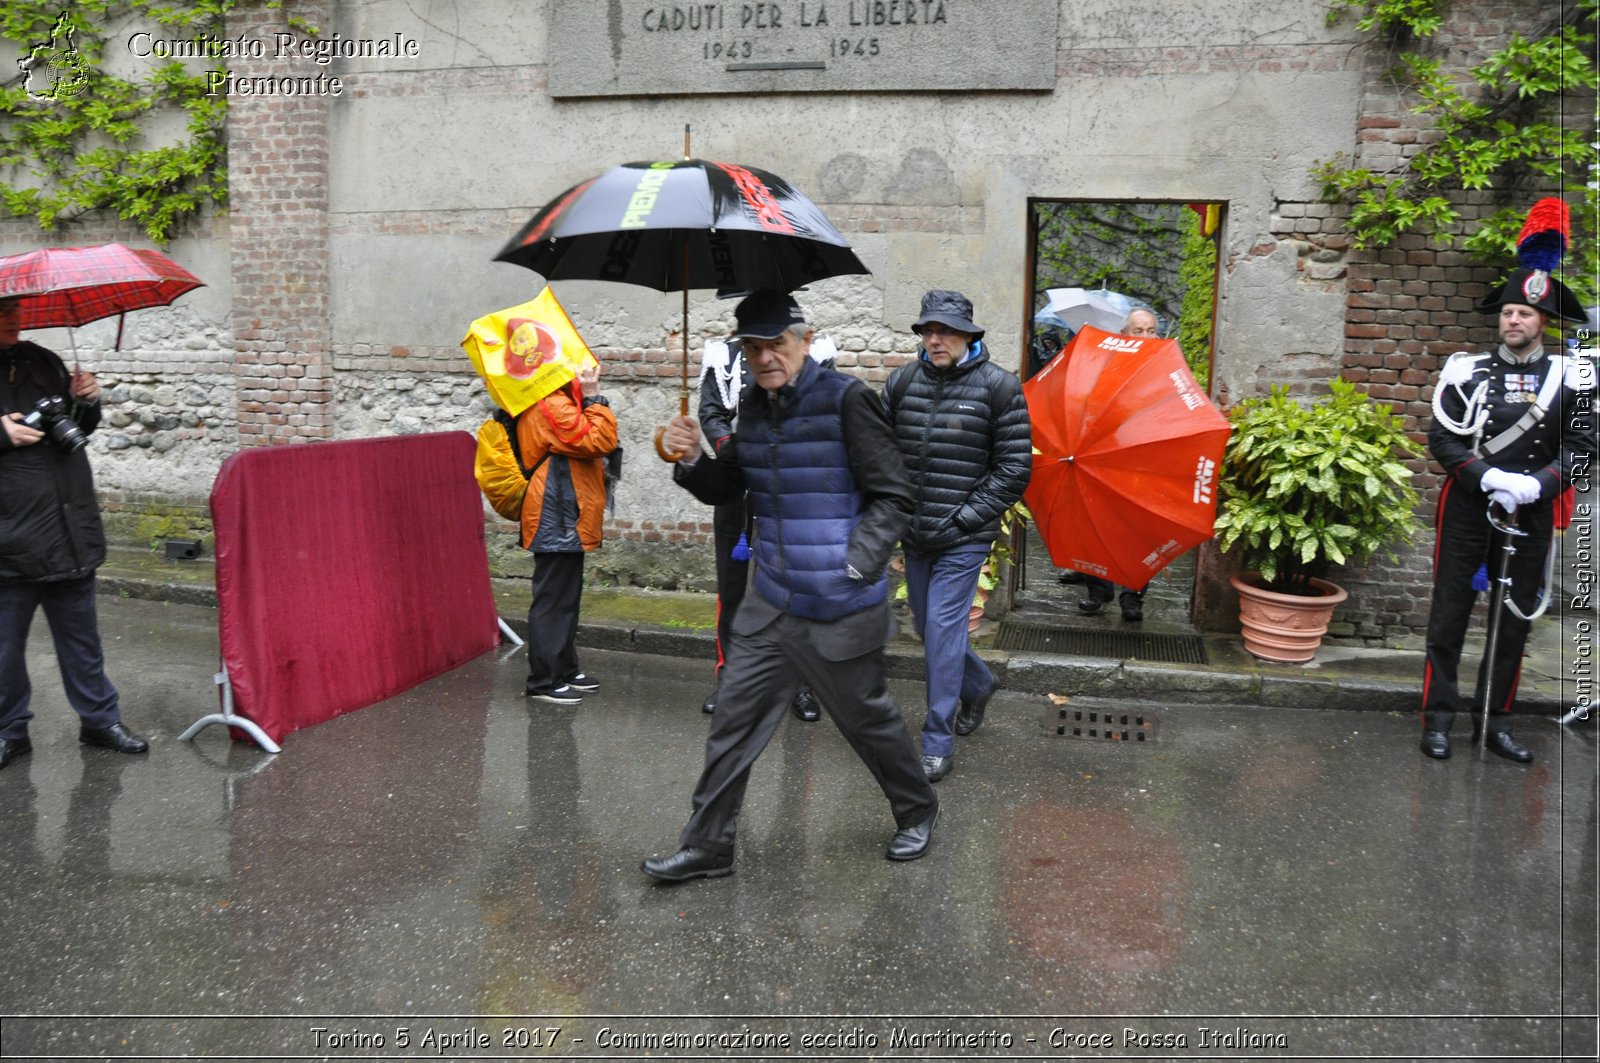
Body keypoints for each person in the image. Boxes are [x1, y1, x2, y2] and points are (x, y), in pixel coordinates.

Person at [641, 290, 939, 881]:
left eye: (776, 343)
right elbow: (729, 488)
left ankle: (917, 809)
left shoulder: (848, 400)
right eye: (753, 348)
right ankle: (709, 845)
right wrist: (691, 460)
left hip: (840, 605)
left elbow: (896, 493)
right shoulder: (751, 408)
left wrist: (857, 563)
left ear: (804, 340)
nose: (765, 357)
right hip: (771, 602)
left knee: (867, 721)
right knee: (733, 719)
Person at [1421, 265, 1594, 762]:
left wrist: (1538, 485)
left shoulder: (1570, 376)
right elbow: (1442, 438)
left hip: (1532, 511)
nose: (1513, 320)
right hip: (1470, 506)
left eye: (1524, 313)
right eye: (1508, 312)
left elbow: (1582, 445)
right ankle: (1437, 721)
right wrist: (1489, 477)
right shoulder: (1466, 370)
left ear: (1544, 321)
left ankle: (1495, 723)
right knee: (1450, 614)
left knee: (1514, 619)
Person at [883, 290, 1031, 782]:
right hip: (916, 531)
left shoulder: (999, 387)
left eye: (944, 330)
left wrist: (967, 519)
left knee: (944, 630)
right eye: (928, 330)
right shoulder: (902, 382)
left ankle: (937, 739)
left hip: (964, 535)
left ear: (968, 335)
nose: (934, 338)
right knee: (928, 629)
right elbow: (879, 451)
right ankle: (979, 681)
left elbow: (1013, 468)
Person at [0, 297, 149, 769]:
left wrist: (88, 402)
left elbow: (75, 430)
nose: (13, 317)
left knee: (82, 639)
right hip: (8, 537)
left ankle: (100, 721)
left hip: (68, 526)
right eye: (1, 310)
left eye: (14, 309)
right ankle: (9, 730)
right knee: (3, 648)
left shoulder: (43, 360)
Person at [697, 332, 822, 723]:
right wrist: (736, 450)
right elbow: (712, 412)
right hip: (738, 487)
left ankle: (800, 683)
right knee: (734, 588)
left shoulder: (812, 353)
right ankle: (731, 682)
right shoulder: (726, 355)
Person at [518, 362, 618, 704]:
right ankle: (543, 680)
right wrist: (594, 398)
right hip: (555, 510)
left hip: (565, 510)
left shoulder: (558, 402)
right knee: (552, 598)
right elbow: (600, 440)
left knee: (565, 597)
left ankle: (563, 668)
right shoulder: (551, 403)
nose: (581, 370)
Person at [1079, 305, 1163, 622]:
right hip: (1106, 458)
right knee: (1097, 526)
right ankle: (1098, 592)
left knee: (1139, 534)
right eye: (1138, 330)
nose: (1145, 336)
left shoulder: (1168, 368)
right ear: (1124, 335)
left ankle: (1133, 597)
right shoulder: (1106, 367)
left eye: (1151, 330)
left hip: (1146, 463)